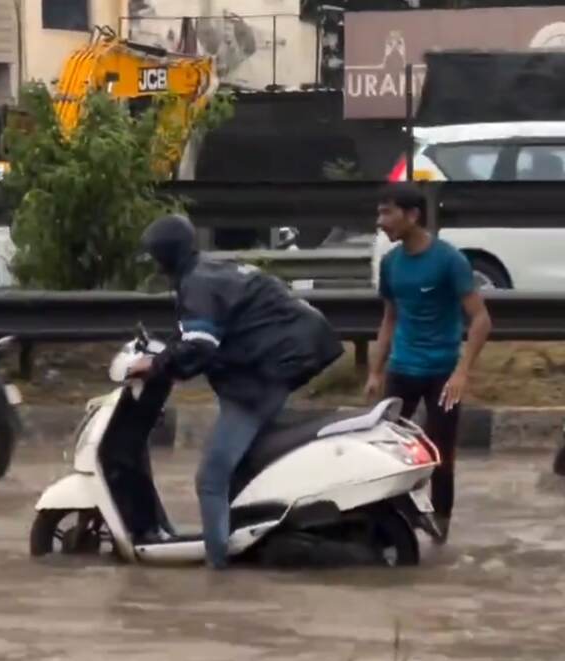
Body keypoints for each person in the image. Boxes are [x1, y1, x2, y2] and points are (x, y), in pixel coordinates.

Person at [127, 214, 344, 570]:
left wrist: (155, 365)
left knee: (210, 480)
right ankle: (248, 537)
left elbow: (199, 345)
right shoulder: (209, 269)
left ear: (164, 256)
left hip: (263, 377)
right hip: (281, 362)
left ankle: (218, 568)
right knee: (240, 466)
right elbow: (201, 333)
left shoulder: (196, 283)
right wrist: (167, 353)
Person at [365, 183, 491, 543]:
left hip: (442, 373)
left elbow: (481, 319)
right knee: (390, 450)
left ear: (413, 215)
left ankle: (442, 527)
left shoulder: (449, 260)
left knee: (441, 452)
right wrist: (375, 371)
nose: (381, 222)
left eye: (387, 212)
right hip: (402, 369)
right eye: (379, 213)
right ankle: (393, 524)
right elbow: (389, 319)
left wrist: (462, 371)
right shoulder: (391, 264)